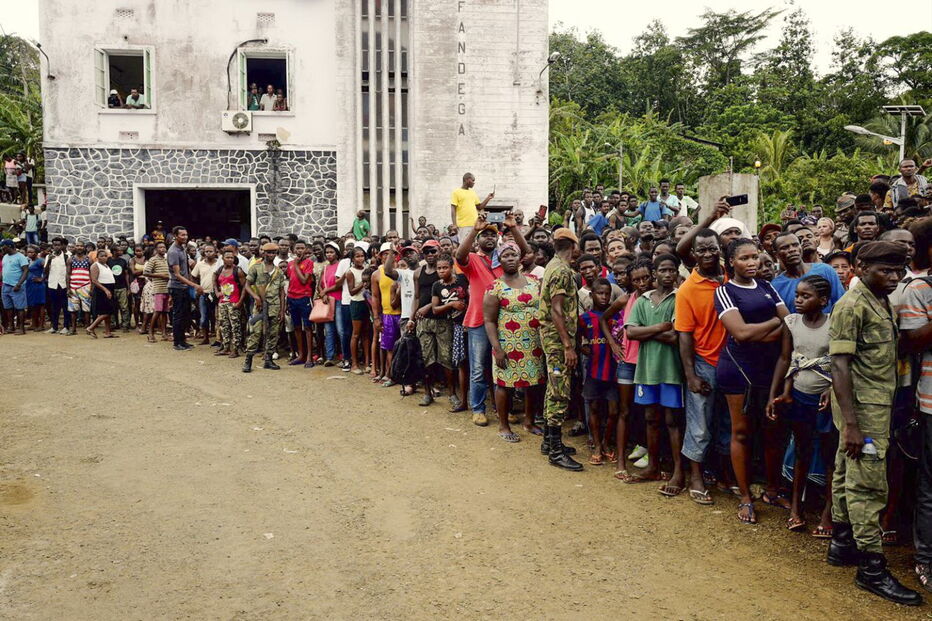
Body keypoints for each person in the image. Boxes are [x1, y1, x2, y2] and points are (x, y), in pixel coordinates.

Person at [826, 241, 921, 606]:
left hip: (871, 406)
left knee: (844, 470)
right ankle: (871, 567)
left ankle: (843, 542)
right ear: (861, 266)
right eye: (886, 270)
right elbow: (839, 364)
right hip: (863, 413)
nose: (895, 277)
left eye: (899, 271)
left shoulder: (880, 299)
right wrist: (852, 424)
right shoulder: (852, 305)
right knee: (868, 484)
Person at [714, 238, 788, 525]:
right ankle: (745, 497)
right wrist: (774, 325)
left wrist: (771, 329)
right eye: (744, 258)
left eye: (755, 257)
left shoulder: (768, 287)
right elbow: (741, 334)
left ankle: (772, 490)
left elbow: (790, 324)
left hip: (770, 369)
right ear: (731, 262)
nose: (752, 262)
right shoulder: (725, 291)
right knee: (742, 432)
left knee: (772, 431)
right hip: (738, 370)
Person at [767, 275, 834, 534]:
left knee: (829, 456)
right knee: (802, 451)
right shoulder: (791, 323)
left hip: (825, 400)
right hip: (799, 396)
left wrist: (830, 389)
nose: (798, 300)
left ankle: (828, 512)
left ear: (823, 301)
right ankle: (796, 507)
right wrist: (777, 394)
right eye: (797, 295)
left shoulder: (833, 324)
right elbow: (786, 359)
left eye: (806, 296)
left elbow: (838, 362)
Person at [626, 254, 685, 495]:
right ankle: (653, 466)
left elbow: (675, 337)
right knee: (651, 417)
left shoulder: (679, 297)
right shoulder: (643, 300)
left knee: (672, 421)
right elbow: (630, 333)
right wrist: (660, 327)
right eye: (663, 270)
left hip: (671, 370)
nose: (668, 275)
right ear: (655, 273)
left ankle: (679, 472)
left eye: (672, 270)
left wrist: (644, 331)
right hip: (646, 370)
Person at [483, 241, 545, 442]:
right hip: (507, 344)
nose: (509, 259)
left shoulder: (535, 281)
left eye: (513, 255)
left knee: (533, 383)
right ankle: (503, 425)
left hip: (534, 343)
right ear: (499, 260)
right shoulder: (495, 287)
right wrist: (497, 348)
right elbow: (489, 321)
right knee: (504, 385)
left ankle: (529, 421)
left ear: (520, 258)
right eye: (505, 256)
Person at [538, 227, 583, 471]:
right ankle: (555, 451)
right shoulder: (562, 271)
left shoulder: (553, 266)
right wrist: (568, 345)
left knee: (552, 387)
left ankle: (548, 441)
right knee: (559, 391)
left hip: (552, 338)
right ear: (574, 247)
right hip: (558, 341)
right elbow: (557, 310)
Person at [579, 278, 619, 464]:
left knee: (613, 410)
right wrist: (584, 349)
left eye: (607, 293)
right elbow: (577, 339)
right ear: (592, 294)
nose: (604, 297)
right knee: (594, 408)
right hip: (594, 370)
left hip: (614, 371)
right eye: (600, 293)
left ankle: (605, 442)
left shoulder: (617, 315)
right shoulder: (585, 318)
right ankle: (596, 444)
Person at [432, 253, 470, 412]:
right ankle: (462, 400)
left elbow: (471, 297)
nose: (442, 271)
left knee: (475, 364)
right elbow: (435, 309)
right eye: (439, 268)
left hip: (469, 324)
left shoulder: (462, 280)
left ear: (452, 267)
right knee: (459, 363)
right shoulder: (437, 286)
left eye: (445, 267)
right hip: (453, 327)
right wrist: (452, 304)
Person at [771, 232, 845, 313]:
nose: (792, 249)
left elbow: (841, 305)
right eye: (785, 247)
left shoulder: (825, 270)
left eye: (795, 245)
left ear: (801, 247)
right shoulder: (776, 285)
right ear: (776, 254)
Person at [243, 242, 286, 373]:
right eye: (269, 252)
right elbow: (247, 285)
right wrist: (256, 297)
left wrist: (282, 310)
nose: (271, 255)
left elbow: (281, 291)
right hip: (260, 306)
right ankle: (248, 360)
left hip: (274, 306)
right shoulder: (256, 268)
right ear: (264, 253)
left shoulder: (278, 271)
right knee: (255, 333)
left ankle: (268, 359)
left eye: (273, 252)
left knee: (273, 334)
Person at [413, 240, 443, 405]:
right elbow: (416, 297)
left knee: (443, 357)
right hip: (424, 320)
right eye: (427, 252)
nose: (430, 255)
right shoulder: (418, 272)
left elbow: (446, 294)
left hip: (442, 319)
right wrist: (412, 318)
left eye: (433, 251)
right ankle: (427, 392)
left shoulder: (443, 271)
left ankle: (446, 389)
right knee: (426, 357)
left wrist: (428, 306)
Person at [167, 227, 201, 351]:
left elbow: (188, 268)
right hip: (177, 287)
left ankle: (183, 341)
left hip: (185, 287)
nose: (185, 237)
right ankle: (177, 343)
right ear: (175, 236)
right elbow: (177, 274)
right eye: (182, 235)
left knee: (186, 314)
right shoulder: (173, 252)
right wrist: (194, 285)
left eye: (186, 235)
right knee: (178, 315)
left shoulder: (182, 249)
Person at [286, 240, 316, 367]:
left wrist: (298, 265)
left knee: (308, 327)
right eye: (297, 248)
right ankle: (301, 355)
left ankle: (309, 356)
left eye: (302, 248)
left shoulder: (308, 263)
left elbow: (304, 280)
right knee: (297, 327)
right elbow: (290, 280)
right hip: (292, 297)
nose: (299, 251)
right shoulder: (290, 264)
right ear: (293, 250)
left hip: (304, 297)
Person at [214, 250, 246, 358]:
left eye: (232, 258)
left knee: (235, 326)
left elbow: (245, 287)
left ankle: (236, 349)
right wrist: (216, 292)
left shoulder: (238, 271)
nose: (230, 259)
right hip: (223, 302)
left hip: (234, 302)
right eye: (227, 257)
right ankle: (226, 347)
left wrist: (240, 301)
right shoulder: (220, 270)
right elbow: (214, 279)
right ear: (223, 259)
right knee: (224, 325)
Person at [317, 241, 344, 366]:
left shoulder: (341, 266)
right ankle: (330, 356)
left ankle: (344, 356)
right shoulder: (325, 268)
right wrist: (323, 294)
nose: (329, 255)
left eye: (331, 252)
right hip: (327, 301)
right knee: (328, 330)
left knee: (340, 330)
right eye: (327, 252)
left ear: (337, 253)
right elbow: (319, 285)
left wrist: (326, 291)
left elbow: (339, 284)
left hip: (338, 300)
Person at [344, 246, 369, 374]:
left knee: (366, 334)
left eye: (362, 256)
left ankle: (367, 362)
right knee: (356, 334)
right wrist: (362, 284)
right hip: (357, 304)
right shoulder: (350, 272)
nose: (360, 258)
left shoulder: (367, 269)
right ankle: (354, 364)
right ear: (353, 258)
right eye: (357, 256)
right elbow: (352, 291)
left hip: (367, 304)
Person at [450, 172, 494, 237]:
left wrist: (488, 198)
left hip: (476, 224)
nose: (474, 182)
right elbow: (453, 209)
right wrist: (454, 224)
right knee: (465, 245)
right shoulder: (456, 192)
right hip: (463, 225)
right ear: (467, 180)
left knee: (476, 245)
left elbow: (479, 207)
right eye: (473, 180)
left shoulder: (473, 192)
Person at [191, 243, 219, 344]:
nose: (208, 253)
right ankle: (205, 338)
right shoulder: (200, 264)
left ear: (215, 252)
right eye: (206, 251)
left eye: (211, 251)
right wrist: (197, 286)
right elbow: (193, 276)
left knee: (216, 317)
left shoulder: (219, 264)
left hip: (216, 294)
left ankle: (218, 339)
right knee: (204, 318)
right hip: (204, 294)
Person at [86, 247, 116, 338]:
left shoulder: (106, 266)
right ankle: (91, 327)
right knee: (105, 312)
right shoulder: (95, 265)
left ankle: (108, 332)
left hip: (109, 287)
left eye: (105, 256)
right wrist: (105, 290)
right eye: (101, 256)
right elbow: (94, 280)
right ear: (97, 257)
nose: (104, 257)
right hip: (102, 289)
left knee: (109, 311)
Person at [143, 241, 170, 343]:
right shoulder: (153, 260)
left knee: (165, 312)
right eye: (160, 248)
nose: (162, 249)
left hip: (167, 288)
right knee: (157, 311)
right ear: (156, 249)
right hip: (158, 289)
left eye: (164, 247)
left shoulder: (167, 259)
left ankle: (164, 334)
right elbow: (146, 272)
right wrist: (161, 276)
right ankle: (150, 333)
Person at [44, 237, 70, 334]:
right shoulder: (48, 257)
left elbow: (69, 272)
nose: (56, 247)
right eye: (55, 245)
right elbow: (45, 272)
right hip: (52, 284)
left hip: (63, 285)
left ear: (62, 245)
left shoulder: (67, 257)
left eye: (58, 245)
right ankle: (54, 327)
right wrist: (49, 261)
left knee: (65, 306)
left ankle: (66, 327)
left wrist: (69, 286)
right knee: (54, 307)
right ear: (52, 246)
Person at [1, 240, 28, 334]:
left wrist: (19, 284)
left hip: (16, 286)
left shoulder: (20, 257)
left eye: (3, 246)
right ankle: (11, 326)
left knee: (20, 308)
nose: (2, 248)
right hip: (5, 285)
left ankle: (21, 328)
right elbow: (5, 270)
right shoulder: (5, 256)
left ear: (9, 246)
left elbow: (25, 271)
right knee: (8, 307)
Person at [66, 241, 93, 335]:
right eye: (77, 245)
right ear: (75, 247)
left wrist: (92, 288)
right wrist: (68, 288)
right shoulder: (70, 259)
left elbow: (92, 274)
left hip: (86, 286)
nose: (79, 247)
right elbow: (68, 274)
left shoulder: (89, 259)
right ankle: (73, 329)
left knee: (87, 309)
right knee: (73, 309)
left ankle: (88, 328)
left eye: (81, 246)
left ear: (84, 247)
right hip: (73, 286)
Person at [106, 241, 132, 333]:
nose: (121, 251)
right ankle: (113, 324)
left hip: (122, 287)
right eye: (119, 250)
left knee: (124, 307)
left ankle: (125, 324)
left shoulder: (123, 261)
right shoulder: (108, 261)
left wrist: (128, 287)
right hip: (111, 287)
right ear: (114, 251)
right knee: (112, 307)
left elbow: (126, 275)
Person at [24, 245, 45, 331]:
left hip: (38, 286)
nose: (29, 254)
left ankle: (41, 325)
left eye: (31, 252)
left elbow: (47, 269)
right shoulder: (28, 261)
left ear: (36, 253)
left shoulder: (41, 261)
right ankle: (34, 323)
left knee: (40, 305)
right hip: (30, 285)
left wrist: (42, 278)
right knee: (32, 305)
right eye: (28, 252)